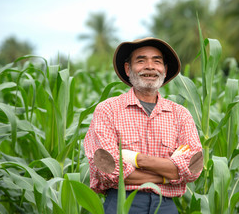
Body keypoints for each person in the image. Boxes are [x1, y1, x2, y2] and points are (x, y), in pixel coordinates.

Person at [84, 37, 203, 214]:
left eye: (157, 61)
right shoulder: (108, 110)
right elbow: (108, 170)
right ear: (127, 69)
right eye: (141, 60)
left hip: (166, 206)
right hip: (122, 203)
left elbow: (193, 168)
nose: (150, 66)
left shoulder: (180, 114)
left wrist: (136, 159)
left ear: (165, 69)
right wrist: (169, 172)